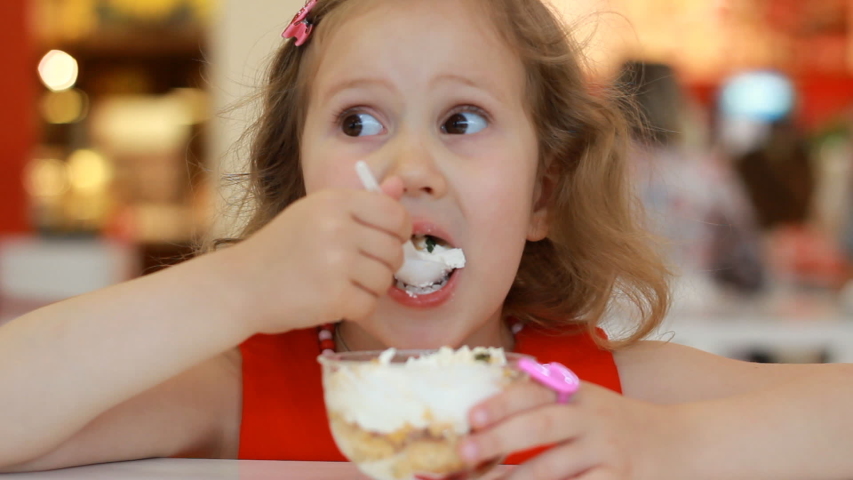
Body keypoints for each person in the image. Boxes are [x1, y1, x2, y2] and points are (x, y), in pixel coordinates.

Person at [1, 1, 852, 479]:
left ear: (542, 195)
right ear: (300, 190)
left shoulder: (588, 395)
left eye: (462, 120)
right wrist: (236, 287)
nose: (409, 169)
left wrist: (672, 445)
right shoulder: (239, 391)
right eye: (358, 122)